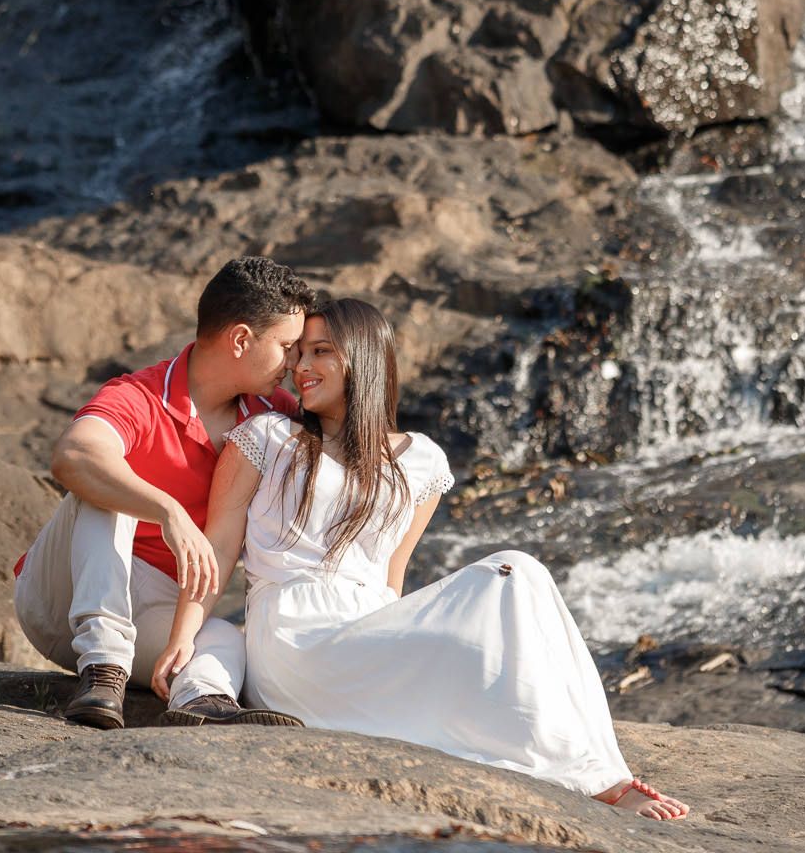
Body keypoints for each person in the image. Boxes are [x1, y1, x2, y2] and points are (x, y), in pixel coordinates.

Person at [152, 298, 688, 823]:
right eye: (299, 354)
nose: (301, 368)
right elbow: (218, 548)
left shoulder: (420, 461)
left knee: (519, 573)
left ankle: (599, 768)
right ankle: (598, 780)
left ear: (362, 358)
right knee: (513, 574)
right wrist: (183, 637)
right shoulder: (268, 437)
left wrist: (411, 647)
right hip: (294, 637)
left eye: (321, 352)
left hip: (366, 625)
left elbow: (392, 577)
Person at [14, 254, 314, 730]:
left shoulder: (272, 413)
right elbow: (74, 455)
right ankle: (103, 668)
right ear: (241, 339)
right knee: (104, 485)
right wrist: (167, 510)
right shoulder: (140, 396)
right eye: (287, 346)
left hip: (153, 611)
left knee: (225, 637)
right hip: (63, 597)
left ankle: (203, 703)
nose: (294, 363)